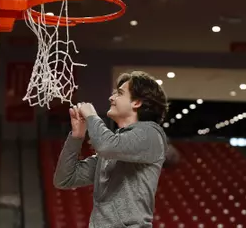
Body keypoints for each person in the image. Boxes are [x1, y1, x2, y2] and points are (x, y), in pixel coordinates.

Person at [53, 71, 169, 228]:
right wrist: (77, 136)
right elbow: (64, 179)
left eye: (119, 93)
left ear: (136, 102)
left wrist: (92, 116)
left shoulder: (151, 133)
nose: (111, 98)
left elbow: (106, 145)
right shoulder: (114, 147)